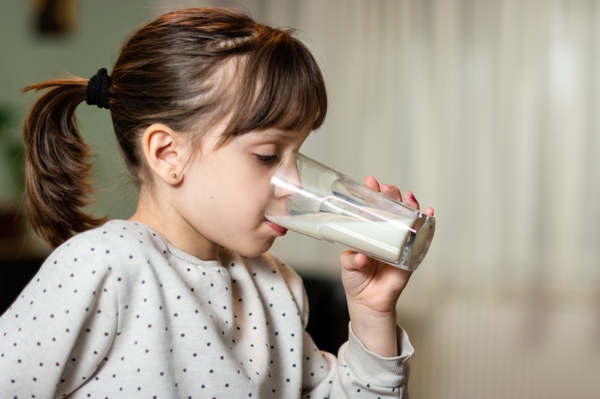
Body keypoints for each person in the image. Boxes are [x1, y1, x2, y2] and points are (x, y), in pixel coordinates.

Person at [0, 7, 433, 399]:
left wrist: (372, 316)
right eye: (267, 156)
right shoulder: (105, 266)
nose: (295, 181)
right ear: (169, 154)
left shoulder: (275, 286)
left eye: (296, 154)